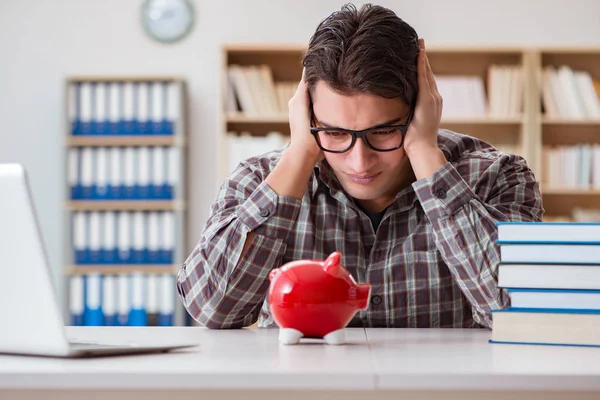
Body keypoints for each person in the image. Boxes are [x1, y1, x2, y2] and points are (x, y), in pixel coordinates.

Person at [176, 3, 543, 330]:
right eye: (335, 132)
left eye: (383, 131)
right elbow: (213, 310)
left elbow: (519, 312)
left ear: (422, 108)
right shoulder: (259, 180)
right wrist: (301, 154)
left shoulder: (499, 177)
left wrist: (425, 154)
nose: (359, 161)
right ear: (305, 114)